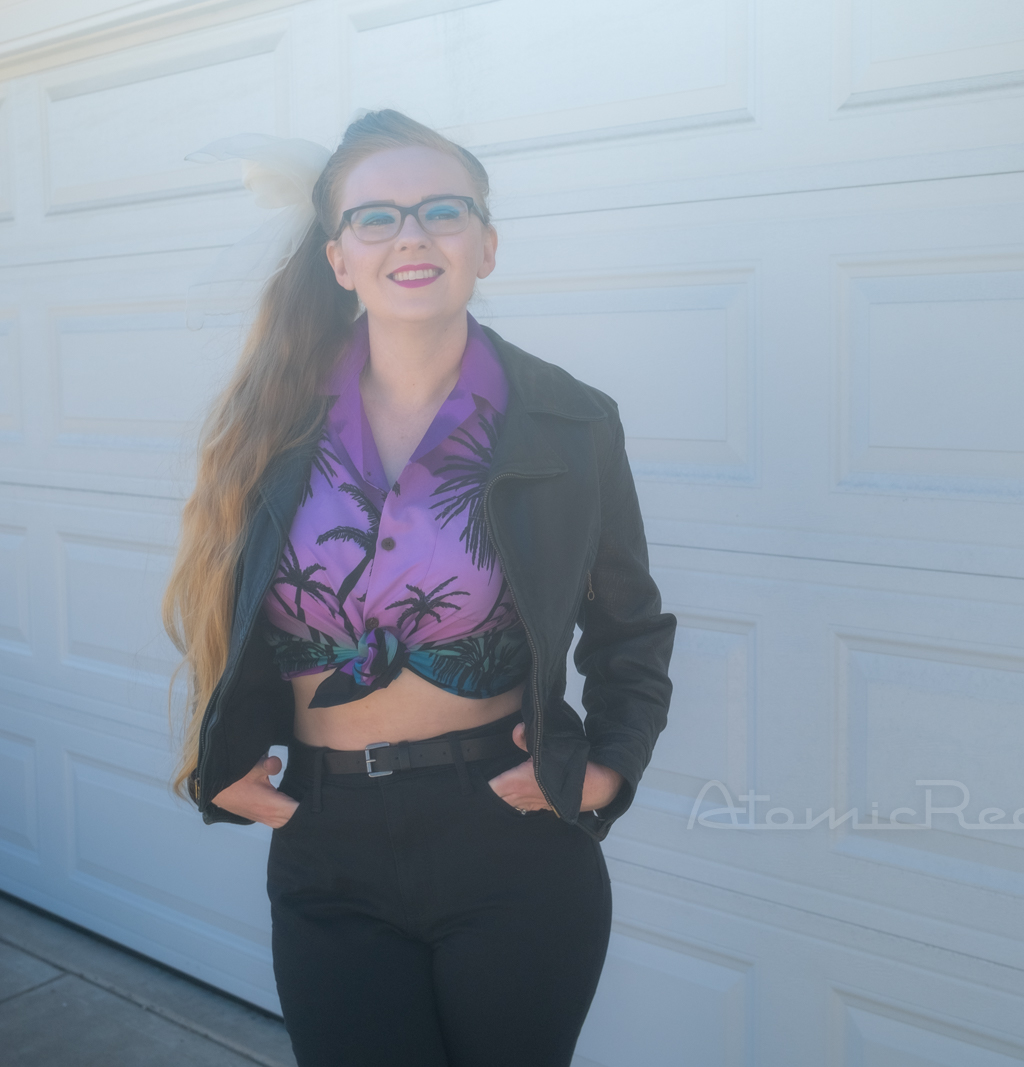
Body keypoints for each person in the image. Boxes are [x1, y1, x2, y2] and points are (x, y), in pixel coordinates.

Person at [162, 109, 676, 1067]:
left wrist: (609, 767)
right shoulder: (268, 419)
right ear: (338, 257)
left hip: (511, 839)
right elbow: (217, 604)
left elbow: (629, 628)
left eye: (443, 211)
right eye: (377, 217)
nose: (412, 235)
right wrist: (216, 745)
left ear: (486, 244)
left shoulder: (570, 421)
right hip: (327, 841)